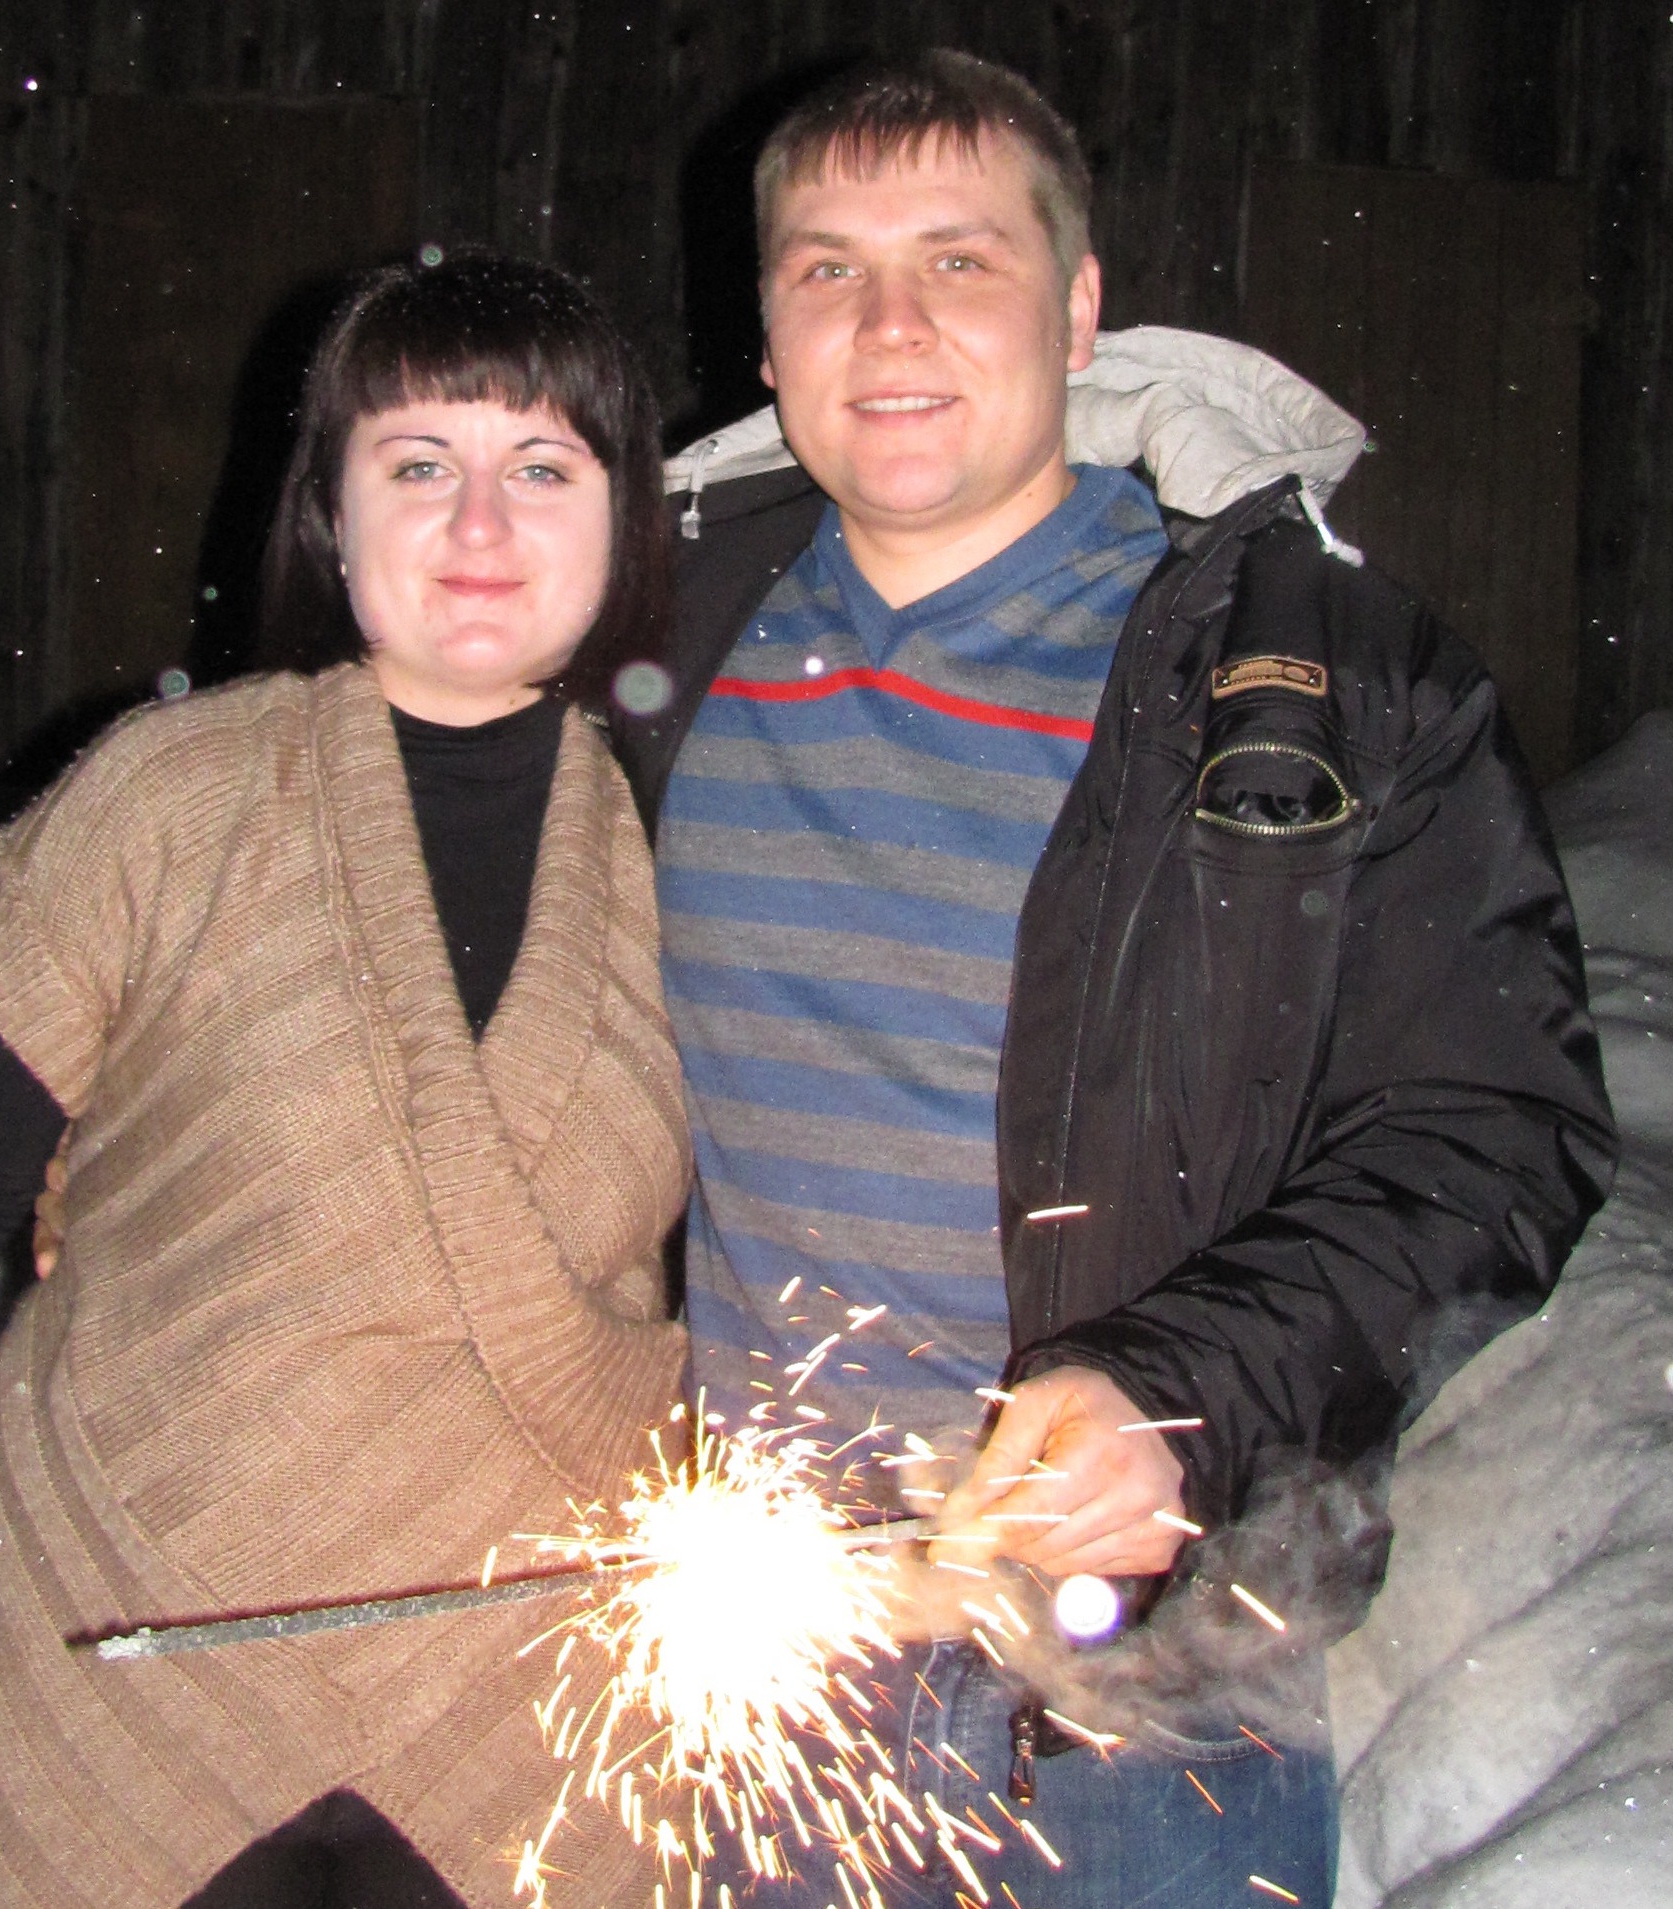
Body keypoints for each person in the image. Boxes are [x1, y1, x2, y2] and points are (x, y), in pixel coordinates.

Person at [612, 51, 1617, 1907]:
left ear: (1079, 311)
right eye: (830, 269)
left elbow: (1494, 1127)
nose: (891, 324)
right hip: (760, 1674)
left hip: (1151, 1712)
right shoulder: (646, 648)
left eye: (960, 260)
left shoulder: (1308, 677)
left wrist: (1179, 1397)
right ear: (765, 332)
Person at [0, 251, 693, 1909]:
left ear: (626, 516)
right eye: (418, 462)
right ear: (332, 511)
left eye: (543, 467)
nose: (479, 522)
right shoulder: (167, 798)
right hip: (133, 1637)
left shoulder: (688, 848)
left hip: (548, 1680)